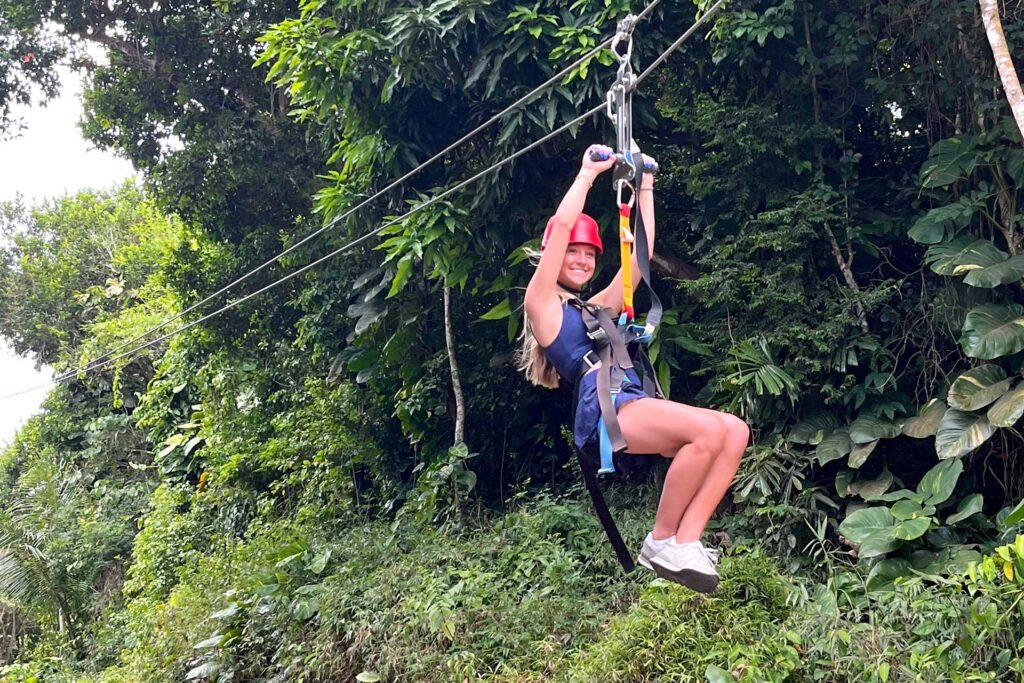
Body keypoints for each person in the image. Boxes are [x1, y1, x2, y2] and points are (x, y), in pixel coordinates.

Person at [518, 144, 749, 593]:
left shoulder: (595, 305)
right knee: (706, 433)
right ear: (555, 254)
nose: (582, 260)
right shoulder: (542, 305)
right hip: (604, 410)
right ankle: (662, 539)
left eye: (589, 254)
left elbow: (640, 260)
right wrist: (587, 174)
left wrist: (644, 184)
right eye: (573, 253)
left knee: (734, 431)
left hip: (632, 397)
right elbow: (563, 225)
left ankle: (685, 541)